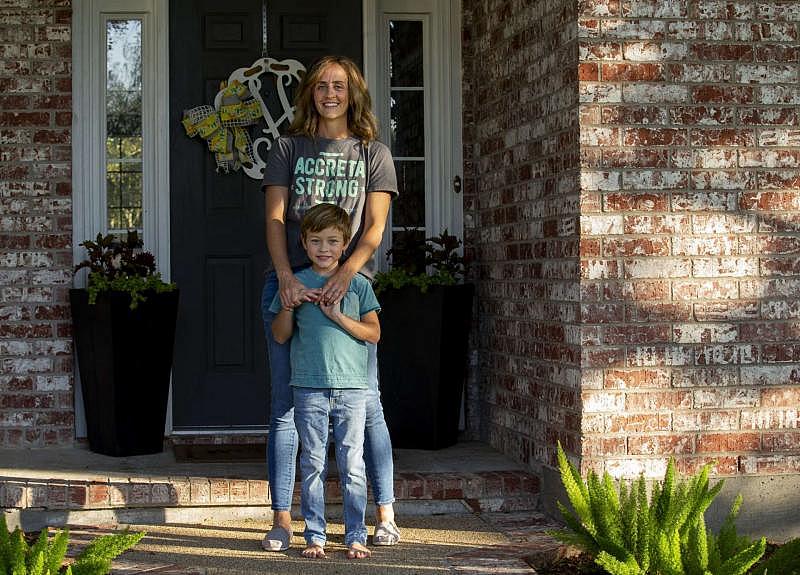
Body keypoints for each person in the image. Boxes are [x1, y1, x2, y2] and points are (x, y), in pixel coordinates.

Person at [260, 55, 401, 552]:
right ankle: (282, 520)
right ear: (310, 94)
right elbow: (276, 219)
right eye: (321, 85)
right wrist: (284, 280)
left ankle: (384, 514)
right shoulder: (288, 148)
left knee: (369, 405)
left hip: (351, 290)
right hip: (292, 290)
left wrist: (345, 274)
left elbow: (375, 228)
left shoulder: (373, 154)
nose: (330, 93)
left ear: (353, 93)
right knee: (286, 408)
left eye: (339, 85)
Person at [271, 203, 379, 559]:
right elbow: (281, 336)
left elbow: (373, 334)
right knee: (313, 463)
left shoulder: (358, 284)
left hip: (351, 388)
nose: (324, 249)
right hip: (309, 387)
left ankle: (355, 535)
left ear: (345, 244)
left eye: (332, 241)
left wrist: (336, 316)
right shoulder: (296, 282)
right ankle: (315, 536)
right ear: (303, 243)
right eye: (316, 241)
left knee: (352, 464)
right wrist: (289, 304)